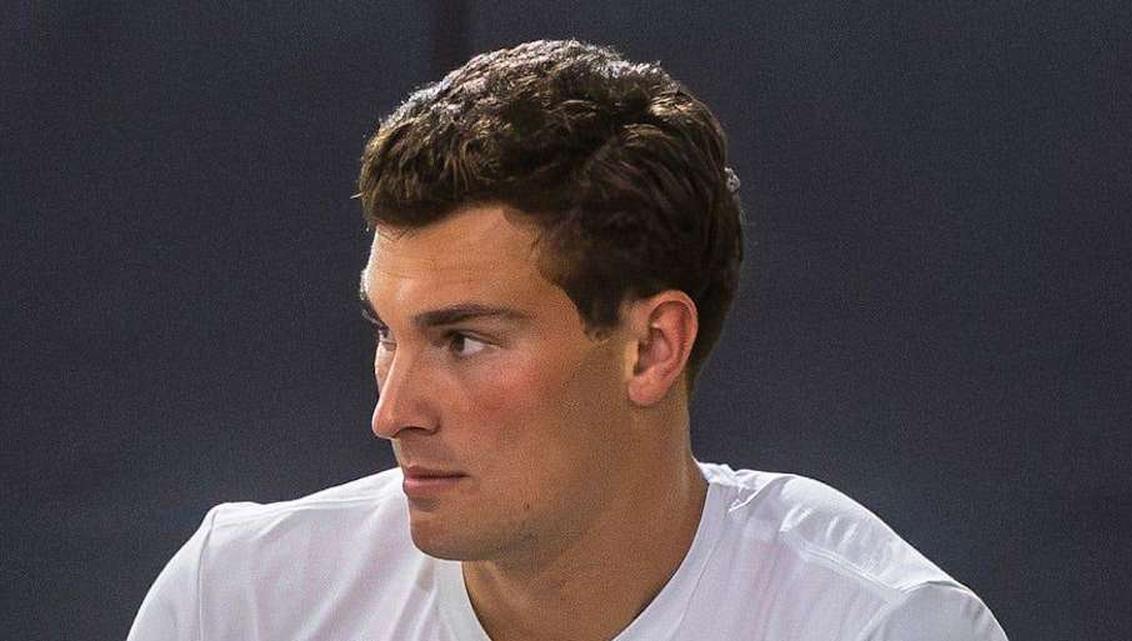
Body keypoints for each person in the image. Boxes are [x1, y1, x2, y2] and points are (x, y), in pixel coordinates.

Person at [127, 40, 1007, 641]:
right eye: (385, 334)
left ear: (651, 347)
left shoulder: (878, 628)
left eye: (463, 340)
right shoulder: (238, 604)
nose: (391, 412)